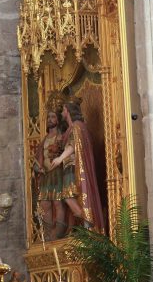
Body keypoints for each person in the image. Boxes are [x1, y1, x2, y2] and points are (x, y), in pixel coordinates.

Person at [50, 100, 105, 233]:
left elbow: (73, 146)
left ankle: (89, 227)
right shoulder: (73, 128)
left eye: (63, 110)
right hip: (69, 168)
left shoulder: (77, 127)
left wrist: (60, 158)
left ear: (68, 111)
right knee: (72, 198)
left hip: (74, 168)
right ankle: (87, 227)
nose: (62, 113)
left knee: (69, 197)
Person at [34, 104, 66, 240]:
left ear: (58, 119)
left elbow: (68, 155)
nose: (50, 119)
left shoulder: (62, 137)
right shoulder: (44, 140)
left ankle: (59, 233)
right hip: (46, 175)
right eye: (48, 117)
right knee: (44, 204)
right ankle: (48, 235)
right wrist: (38, 168)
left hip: (58, 173)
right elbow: (36, 161)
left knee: (58, 202)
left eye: (53, 117)